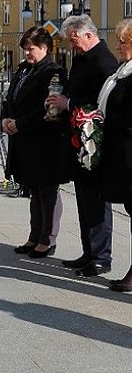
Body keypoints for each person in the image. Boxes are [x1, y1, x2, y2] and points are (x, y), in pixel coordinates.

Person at [46, 15, 118, 277]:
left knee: (96, 202)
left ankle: (101, 257)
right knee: (85, 200)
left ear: (87, 34)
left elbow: (102, 102)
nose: (72, 46)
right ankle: (89, 252)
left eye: (74, 41)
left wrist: (70, 102)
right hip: (80, 141)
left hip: (94, 143)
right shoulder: (82, 58)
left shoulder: (104, 61)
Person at [2, 27, 70, 258]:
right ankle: (34, 236)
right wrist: (5, 119)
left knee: (47, 190)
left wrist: (20, 124)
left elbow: (49, 111)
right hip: (24, 141)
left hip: (44, 142)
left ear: (44, 48)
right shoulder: (24, 71)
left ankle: (47, 239)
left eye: (30, 49)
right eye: (25, 49)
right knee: (33, 189)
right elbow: (9, 98)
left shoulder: (53, 73)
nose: (26, 54)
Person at [97, 19, 132, 292]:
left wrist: (105, 122)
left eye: (123, 41)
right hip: (122, 153)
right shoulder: (123, 71)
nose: (118, 46)